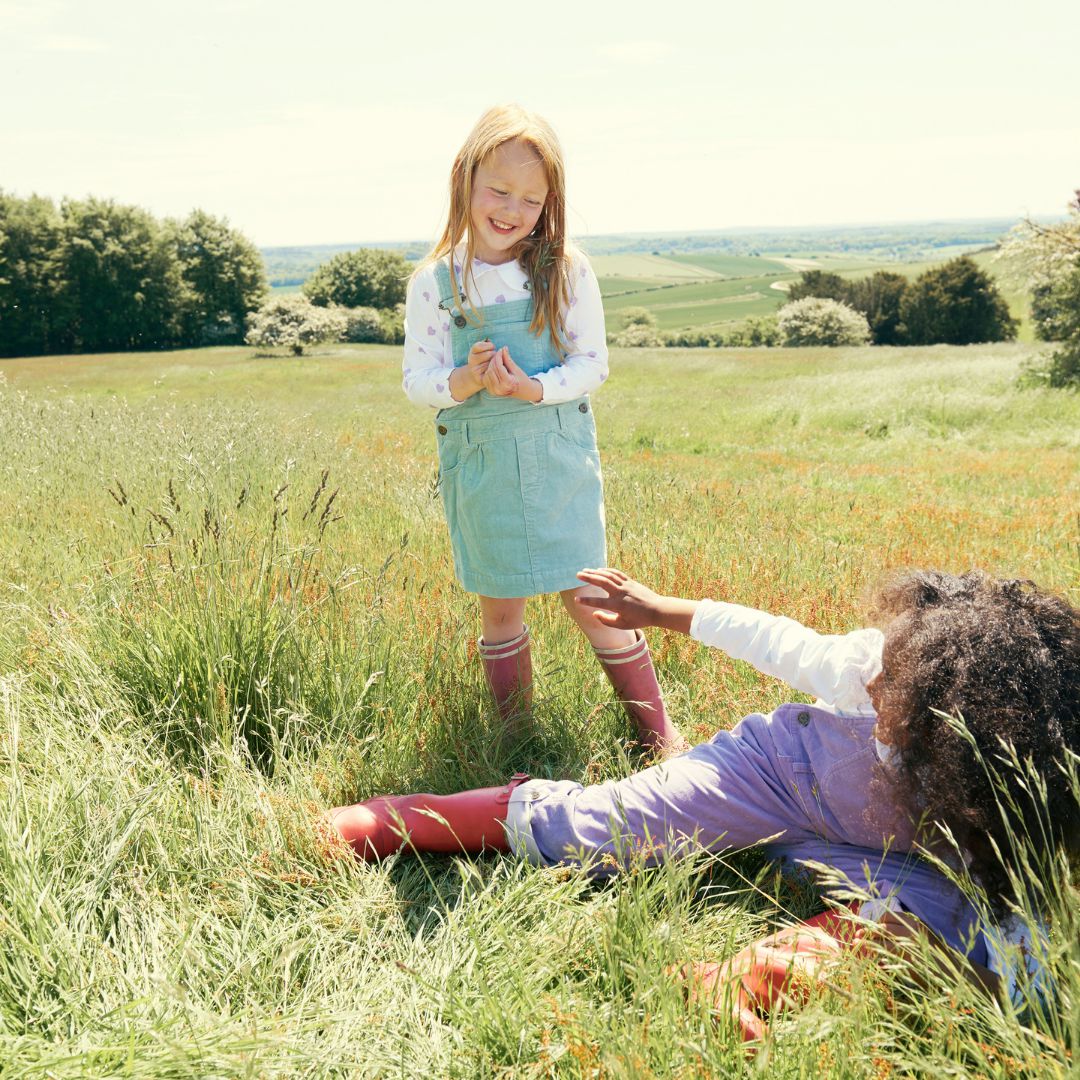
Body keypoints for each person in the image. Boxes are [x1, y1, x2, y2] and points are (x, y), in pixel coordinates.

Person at [326, 566, 1079, 1039]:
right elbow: (773, 638)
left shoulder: (1017, 795)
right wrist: (659, 610)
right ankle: (392, 818)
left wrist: (1005, 984)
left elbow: (1019, 933)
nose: (875, 684)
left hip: (892, 852)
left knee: (927, 931)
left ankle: (748, 977)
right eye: (882, 673)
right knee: (602, 830)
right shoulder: (879, 660)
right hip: (777, 775)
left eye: (896, 698)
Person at [401, 104, 684, 753]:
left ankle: (657, 734)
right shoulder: (437, 282)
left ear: (550, 202)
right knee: (500, 605)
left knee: (588, 595)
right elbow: (417, 381)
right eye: (498, 189)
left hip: (555, 454)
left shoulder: (565, 268)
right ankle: (517, 738)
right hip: (484, 465)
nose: (511, 208)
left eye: (530, 198)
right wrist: (465, 382)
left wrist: (533, 388)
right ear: (465, 180)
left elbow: (593, 364)